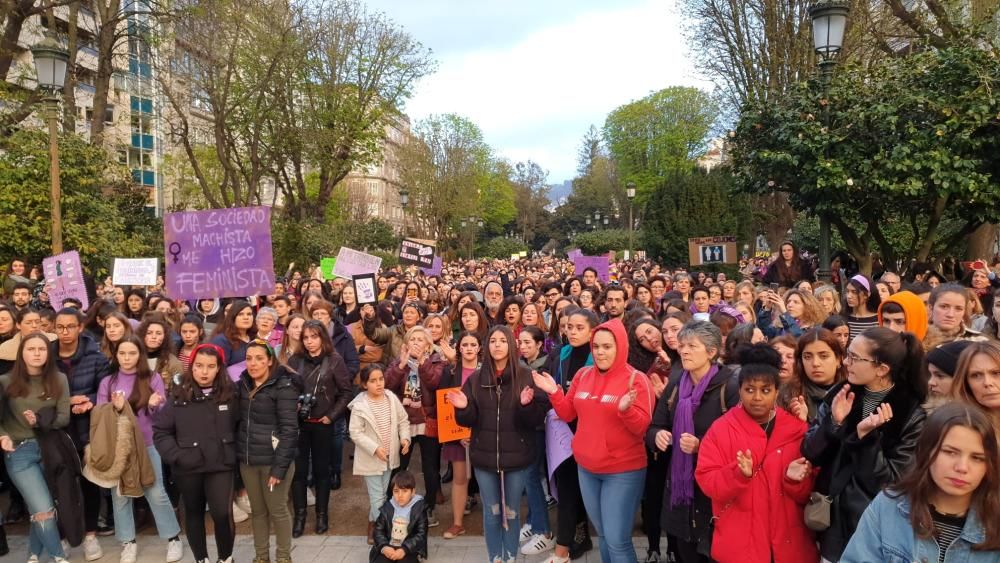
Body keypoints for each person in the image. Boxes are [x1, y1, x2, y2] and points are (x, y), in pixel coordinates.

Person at [801, 326, 928, 562]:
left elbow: (891, 482)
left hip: (875, 526)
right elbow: (810, 451)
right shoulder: (842, 392)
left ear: (881, 369)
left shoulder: (909, 412)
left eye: (855, 358)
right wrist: (834, 424)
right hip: (831, 521)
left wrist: (866, 439)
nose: (846, 363)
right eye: (848, 354)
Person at [534, 318, 654, 563]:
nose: (600, 352)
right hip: (587, 469)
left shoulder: (636, 380)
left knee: (617, 540)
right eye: (596, 346)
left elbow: (642, 427)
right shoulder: (583, 374)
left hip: (622, 471)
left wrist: (626, 410)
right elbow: (568, 413)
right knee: (604, 536)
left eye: (607, 346)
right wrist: (554, 392)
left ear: (620, 347)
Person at [695, 344, 818, 563]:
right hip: (740, 544)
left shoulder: (797, 430)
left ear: (777, 391)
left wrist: (794, 480)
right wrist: (737, 474)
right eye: (750, 390)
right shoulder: (721, 429)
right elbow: (707, 481)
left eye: (765, 390)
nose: (757, 397)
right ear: (739, 390)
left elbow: (810, 492)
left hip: (789, 543)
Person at [841, 402, 1000, 563]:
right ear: (926, 451)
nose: (962, 467)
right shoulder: (888, 507)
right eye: (950, 452)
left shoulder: (995, 520)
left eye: (977, 458)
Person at [450, 325, 547, 563]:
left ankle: (510, 556)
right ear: (487, 346)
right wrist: (463, 409)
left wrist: (526, 405)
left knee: (512, 512)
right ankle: (496, 557)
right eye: (493, 341)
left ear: (511, 345)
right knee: (492, 512)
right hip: (484, 457)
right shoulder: (475, 379)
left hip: (518, 456)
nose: (497, 345)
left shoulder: (525, 375)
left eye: (502, 341)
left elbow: (536, 419)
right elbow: (470, 419)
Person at [646, 320, 739, 563]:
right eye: (683, 345)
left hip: (714, 491)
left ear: (711, 352)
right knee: (685, 552)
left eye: (692, 346)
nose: (684, 350)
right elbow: (655, 425)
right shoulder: (677, 385)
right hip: (680, 489)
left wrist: (702, 446)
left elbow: (741, 439)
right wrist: (658, 435)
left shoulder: (730, 386)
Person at [97, 335, 183, 563]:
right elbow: (101, 415)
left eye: (132, 353)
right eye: (122, 353)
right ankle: (128, 542)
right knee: (121, 495)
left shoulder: (152, 379)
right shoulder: (108, 382)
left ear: (140, 355)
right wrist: (116, 408)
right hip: (118, 446)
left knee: (155, 491)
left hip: (148, 443)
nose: (127, 358)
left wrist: (154, 405)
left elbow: (162, 414)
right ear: (116, 355)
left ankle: (173, 538)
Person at [153, 343, 239, 563]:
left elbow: (242, 426)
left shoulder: (231, 394)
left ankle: (226, 558)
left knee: (222, 513)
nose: (204, 371)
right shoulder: (178, 394)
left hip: (221, 463)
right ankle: (201, 558)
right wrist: (178, 456)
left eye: (210, 366)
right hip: (188, 466)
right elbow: (161, 431)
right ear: (191, 367)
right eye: (199, 366)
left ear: (219, 368)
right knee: (194, 512)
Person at [0, 332, 74, 563]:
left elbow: (64, 417)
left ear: (48, 353)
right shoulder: (5, 381)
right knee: (43, 508)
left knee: (41, 505)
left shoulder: (59, 379)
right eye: (31, 349)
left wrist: (40, 421)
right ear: (21, 353)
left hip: (50, 450)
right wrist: (2, 436)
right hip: (19, 453)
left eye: (41, 349)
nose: (36, 353)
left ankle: (33, 552)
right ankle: (58, 556)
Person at [286, 320, 353, 537]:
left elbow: (345, 392)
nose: (309, 342)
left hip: (323, 424)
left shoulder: (334, 360)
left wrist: (331, 416)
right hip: (299, 424)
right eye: (305, 337)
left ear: (322, 337)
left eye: (314, 337)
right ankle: (300, 517)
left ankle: (322, 515)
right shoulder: (294, 360)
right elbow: (285, 389)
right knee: (299, 473)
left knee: (322, 471)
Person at [52, 307, 112, 547]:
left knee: (90, 483)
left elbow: (104, 389)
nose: (65, 332)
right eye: (59, 327)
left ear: (80, 327)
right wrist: (66, 403)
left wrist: (91, 401)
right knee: (61, 485)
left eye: (70, 326)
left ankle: (90, 535)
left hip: (89, 428)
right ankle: (64, 535)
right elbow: (41, 392)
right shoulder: (47, 355)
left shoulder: (95, 356)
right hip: (58, 430)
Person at [237, 340, 299, 563]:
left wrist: (279, 468)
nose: (253, 363)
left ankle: (283, 557)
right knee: (258, 511)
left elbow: (290, 430)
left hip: (274, 462)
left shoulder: (283, 387)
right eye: (249, 358)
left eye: (259, 359)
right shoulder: (241, 384)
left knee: (278, 510)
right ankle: (261, 557)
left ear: (270, 361)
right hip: (249, 461)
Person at [384, 325, 445, 527]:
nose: (416, 343)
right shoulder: (399, 362)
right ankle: (393, 505)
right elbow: (386, 385)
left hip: (428, 419)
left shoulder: (436, 361)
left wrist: (422, 362)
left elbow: (434, 383)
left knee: (430, 467)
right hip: (404, 421)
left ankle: (428, 508)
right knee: (399, 465)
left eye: (421, 339)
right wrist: (401, 366)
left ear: (429, 343)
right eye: (413, 339)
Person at [349, 363, 411, 545]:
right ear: (364, 385)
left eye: (381, 379)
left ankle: (373, 524)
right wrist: (374, 448)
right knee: (378, 497)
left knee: (384, 494)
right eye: (373, 381)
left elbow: (403, 420)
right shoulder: (360, 405)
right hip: (371, 460)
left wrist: (405, 438)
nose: (379, 384)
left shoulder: (391, 398)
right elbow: (355, 432)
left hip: (390, 458)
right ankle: (386, 532)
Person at [439, 331, 480, 540]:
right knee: (459, 478)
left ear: (480, 348)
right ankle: (457, 523)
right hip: (456, 434)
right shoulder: (451, 371)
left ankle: (499, 519)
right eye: (466, 344)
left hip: (482, 433)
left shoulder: (486, 371)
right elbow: (445, 403)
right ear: (459, 348)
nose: (470, 348)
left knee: (492, 476)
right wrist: (458, 434)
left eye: (474, 344)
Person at [370, 471, 429, 563]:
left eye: (405, 491)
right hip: (388, 546)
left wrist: (404, 549)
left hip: (409, 549)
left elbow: (421, 534)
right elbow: (378, 530)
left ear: (413, 492)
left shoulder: (419, 509)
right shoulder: (388, 507)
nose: (400, 495)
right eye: (396, 491)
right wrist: (384, 547)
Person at [950, 340, 1000, 427]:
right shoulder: (958, 427)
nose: (987, 383)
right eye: (976, 375)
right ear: (966, 383)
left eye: (996, 373)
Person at [924, 284, 989, 351]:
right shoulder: (917, 338)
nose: (950, 314)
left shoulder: (979, 342)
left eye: (958, 309)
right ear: (931, 308)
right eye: (944, 307)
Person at [924, 340, 975, 411]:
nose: (930, 382)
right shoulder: (923, 405)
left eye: (940, 376)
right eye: (930, 374)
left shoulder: (969, 419)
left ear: (963, 380)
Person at [210, 300, 256, 370]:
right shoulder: (222, 341)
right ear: (232, 318)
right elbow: (218, 370)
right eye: (240, 314)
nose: (246, 317)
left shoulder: (255, 339)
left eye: (249, 314)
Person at [843, 275, 881, 342]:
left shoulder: (878, 320)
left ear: (867, 294)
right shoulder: (843, 318)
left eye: (854, 292)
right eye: (847, 291)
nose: (849, 296)